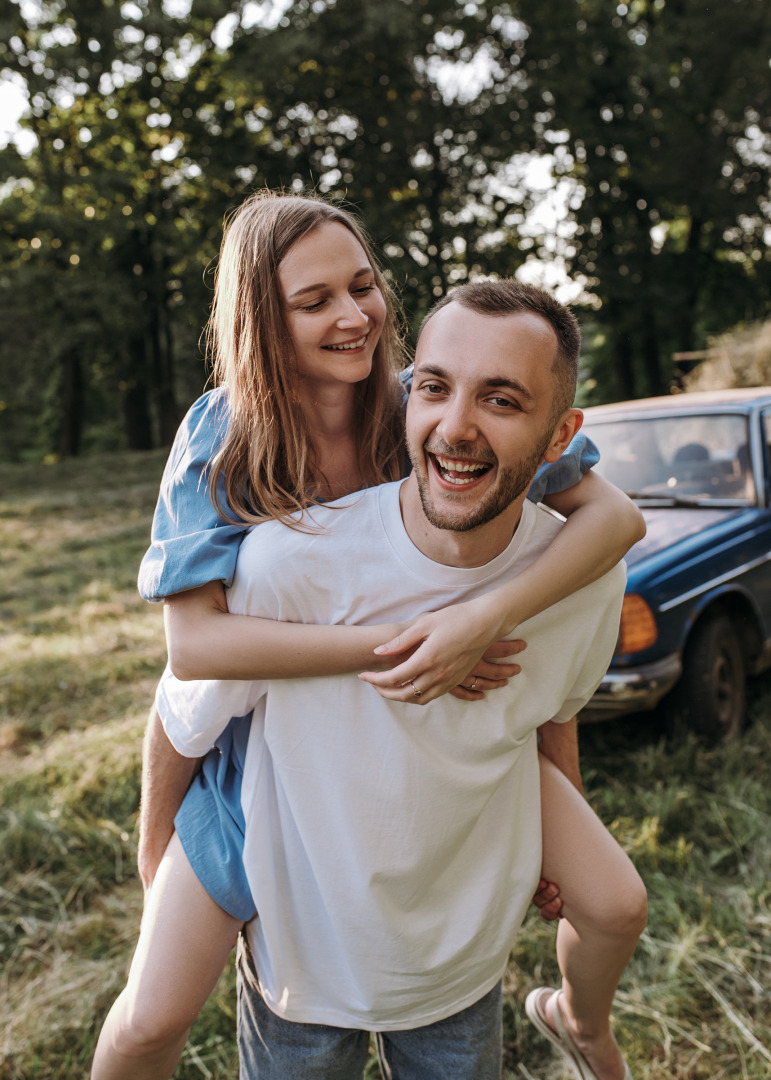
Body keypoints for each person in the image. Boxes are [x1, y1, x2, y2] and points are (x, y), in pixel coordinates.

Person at [91, 193, 645, 1080]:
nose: (354, 316)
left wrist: (480, 619)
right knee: (149, 1020)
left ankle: (577, 1019)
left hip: (415, 751)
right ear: (260, 321)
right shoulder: (223, 437)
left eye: (364, 286)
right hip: (250, 752)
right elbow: (192, 657)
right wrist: (412, 641)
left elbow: (610, 517)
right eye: (314, 302)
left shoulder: (421, 402)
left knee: (610, 902)